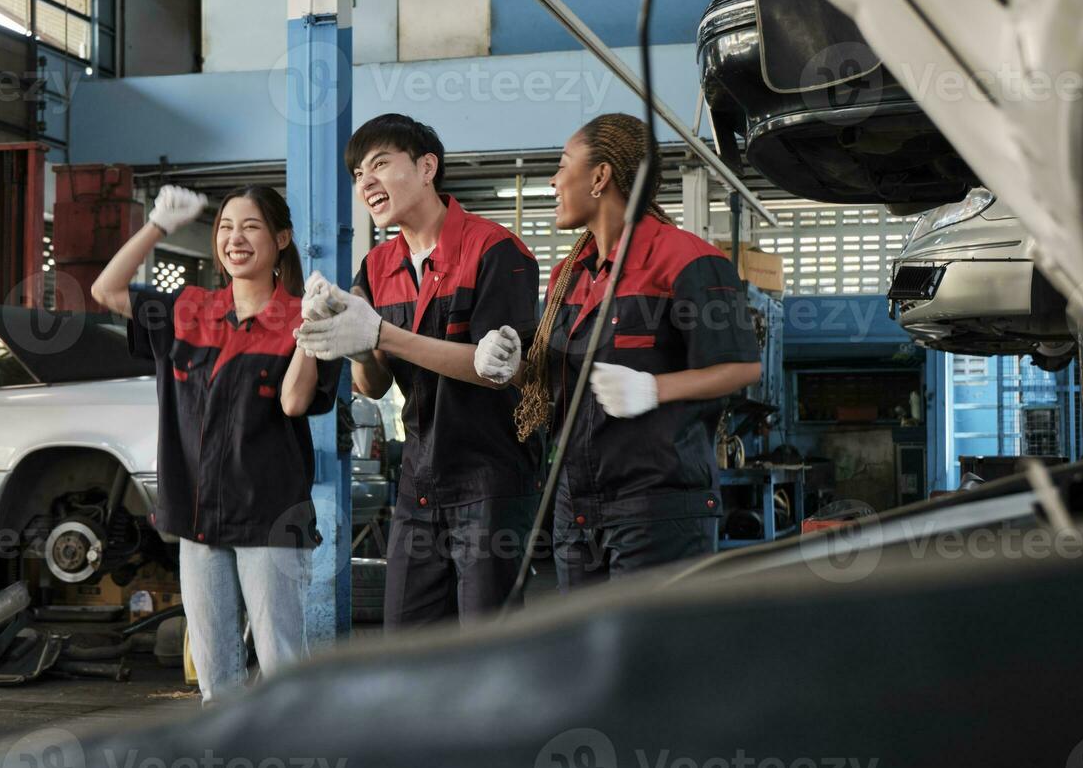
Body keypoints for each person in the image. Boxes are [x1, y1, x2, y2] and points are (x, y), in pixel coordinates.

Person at [472, 113, 761, 590]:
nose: (553, 179)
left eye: (563, 165)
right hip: (575, 506)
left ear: (600, 176)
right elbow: (556, 379)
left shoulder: (688, 261)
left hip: (657, 508)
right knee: (590, 658)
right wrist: (509, 368)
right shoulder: (570, 273)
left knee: (648, 658)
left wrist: (654, 388)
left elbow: (740, 366)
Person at [92, 185, 339, 703]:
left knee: (282, 666)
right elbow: (106, 290)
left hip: (269, 517)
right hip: (197, 517)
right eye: (226, 226)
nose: (235, 238)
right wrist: (157, 226)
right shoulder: (189, 310)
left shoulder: (307, 314)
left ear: (282, 239)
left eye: (250, 226)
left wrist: (312, 329)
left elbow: (295, 404)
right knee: (214, 671)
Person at [297, 114, 541, 627]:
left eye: (380, 164)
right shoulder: (377, 266)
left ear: (427, 167)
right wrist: (354, 344)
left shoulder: (497, 251)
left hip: (489, 479)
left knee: (488, 646)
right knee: (408, 640)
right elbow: (375, 384)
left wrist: (379, 334)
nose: (365, 181)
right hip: (419, 481)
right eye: (358, 172)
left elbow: (496, 370)